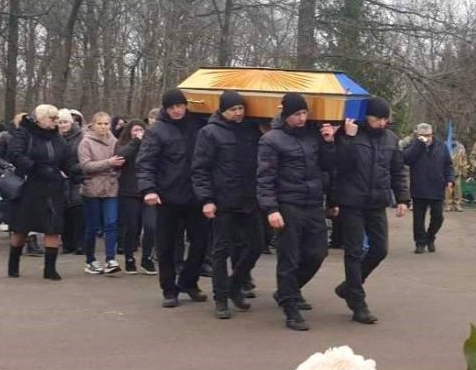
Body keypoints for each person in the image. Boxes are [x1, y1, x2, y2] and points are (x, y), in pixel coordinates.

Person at [257, 92, 337, 331]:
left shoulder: (314, 136)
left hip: (313, 203)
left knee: (318, 253)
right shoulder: (272, 139)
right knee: (289, 258)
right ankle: (290, 307)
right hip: (287, 204)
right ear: (286, 114)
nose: (301, 118)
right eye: (296, 114)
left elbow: (329, 166)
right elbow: (264, 177)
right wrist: (271, 208)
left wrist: (328, 142)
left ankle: (286, 291)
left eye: (304, 113)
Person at [331, 96, 408, 324]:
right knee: (354, 252)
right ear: (367, 117)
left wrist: (403, 198)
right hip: (352, 201)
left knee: (379, 250)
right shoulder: (350, 134)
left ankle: (348, 286)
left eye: (385, 119)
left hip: (377, 201)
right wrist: (348, 138)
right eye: (378, 119)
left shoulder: (391, 140)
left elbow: (398, 170)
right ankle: (357, 301)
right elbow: (339, 165)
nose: (382, 123)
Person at [194, 90, 264, 320]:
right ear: (223, 110)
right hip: (222, 200)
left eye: (240, 108)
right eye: (233, 109)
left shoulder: (251, 129)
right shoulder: (209, 132)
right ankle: (221, 298)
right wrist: (207, 199)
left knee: (256, 245)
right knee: (220, 251)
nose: (238, 113)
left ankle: (236, 284)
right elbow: (200, 169)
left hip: (249, 198)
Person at [137, 89, 207, 307]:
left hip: (196, 195)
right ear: (166, 109)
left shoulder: (198, 125)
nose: (177, 110)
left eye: (180, 106)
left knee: (201, 243)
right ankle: (169, 288)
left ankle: (189, 281)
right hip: (167, 196)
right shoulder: (157, 130)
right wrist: (148, 189)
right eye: (172, 107)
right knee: (166, 245)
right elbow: (146, 162)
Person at [6, 104, 77, 279]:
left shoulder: (58, 139)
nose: (56, 122)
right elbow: (15, 155)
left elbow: (67, 160)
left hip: (53, 186)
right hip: (29, 185)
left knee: (53, 227)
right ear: (39, 119)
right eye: (52, 118)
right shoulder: (24, 133)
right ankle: (13, 263)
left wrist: (76, 173)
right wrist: (36, 168)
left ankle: (50, 269)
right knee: (21, 228)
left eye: (57, 119)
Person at [78, 111, 124, 274]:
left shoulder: (115, 142)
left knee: (111, 223)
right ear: (93, 124)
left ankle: (110, 259)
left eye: (106, 124)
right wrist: (108, 163)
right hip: (92, 188)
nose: (104, 127)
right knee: (92, 226)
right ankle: (90, 259)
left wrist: (117, 168)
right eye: (100, 124)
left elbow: (120, 163)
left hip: (111, 187)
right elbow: (86, 166)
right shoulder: (86, 142)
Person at [402, 122, 454, 254]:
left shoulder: (441, 146)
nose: (426, 138)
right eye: (422, 135)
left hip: (437, 186)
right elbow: (406, 159)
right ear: (417, 135)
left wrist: (449, 180)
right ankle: (420, 242)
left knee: (438, 217)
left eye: (428, 135)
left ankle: (430, 237)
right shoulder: (413, 146)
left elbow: (448, 165)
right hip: (419, 187)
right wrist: (418, 145)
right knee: (418, 219)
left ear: (432, 134)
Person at [115, 120, 147, 273]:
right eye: (135, 130)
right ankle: (129, 257)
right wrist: (136, 141)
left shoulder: (149, 145)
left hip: (147, 190)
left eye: (140, 130)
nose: (138, 132)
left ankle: (147, 258)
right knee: (132, 226)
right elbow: (121, 156)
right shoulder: (124, 144)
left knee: (151, 226)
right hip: (129, 190)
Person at [56, 109, 86, 256]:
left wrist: (75, 169)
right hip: (60, 178)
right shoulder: (54, 137)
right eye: (60, 122)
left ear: (71, 122)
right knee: (64, 211)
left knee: (78, 210)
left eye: (65, 122)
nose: (62, 125)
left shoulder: (81, 136)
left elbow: (86, 157)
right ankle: (67, 244)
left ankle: (81, 243)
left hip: (78, 176)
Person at [446, 138, 468, 212]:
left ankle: (457, 204)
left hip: (457, 170)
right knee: (448, 188)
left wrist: (465, 169)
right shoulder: (445, 145)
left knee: (457, 188)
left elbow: (464, 158)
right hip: (447, 171)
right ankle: (449, 204)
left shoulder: (461, 147)